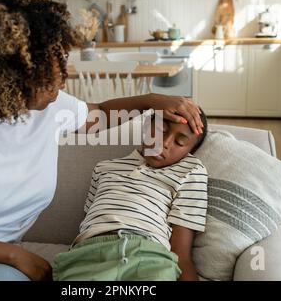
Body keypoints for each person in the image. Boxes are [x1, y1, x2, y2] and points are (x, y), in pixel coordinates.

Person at [0, 0, 204, 281]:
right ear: (13, 83)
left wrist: (154, 100)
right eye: (50, 78)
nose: (63, 80)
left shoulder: (51, 108)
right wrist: (15, 255)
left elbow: (101, 114)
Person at [53, 111, 208, 281]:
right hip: (88, 253)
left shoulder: (190, 171)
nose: (164, 142)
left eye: (180, 142)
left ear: (189, 152)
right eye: (161, 129)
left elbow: (182, 255)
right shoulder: (104, 168)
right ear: (148, 124)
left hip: (148, 254)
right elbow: (88, 222)